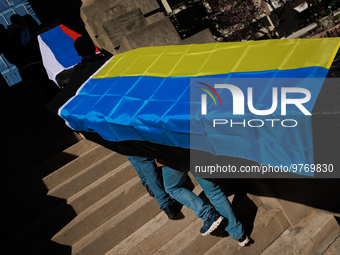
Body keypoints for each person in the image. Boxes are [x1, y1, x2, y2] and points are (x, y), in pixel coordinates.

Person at [72, 36, 180, 219]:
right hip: (125, 114)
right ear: (93, 46)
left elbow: (77, 103)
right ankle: (165, 201)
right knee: (141, 158)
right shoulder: (109, 62)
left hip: (104, 122)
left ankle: (153, 189)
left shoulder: (78, 75)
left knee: (137, 157)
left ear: (78, 53)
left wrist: (80, 128)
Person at [161, 161, 250, 246]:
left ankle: (207, 214)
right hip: (195, 149)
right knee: (214, 192)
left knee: (172, 188)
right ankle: (239, 235)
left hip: (173, 155)